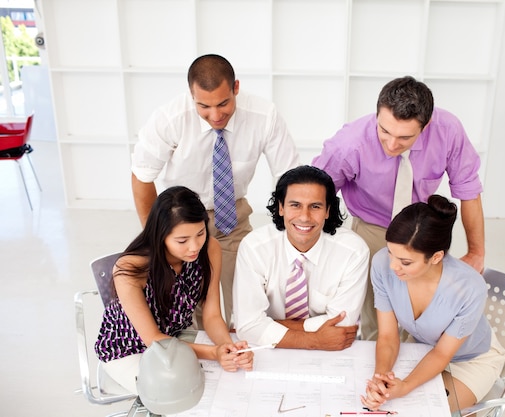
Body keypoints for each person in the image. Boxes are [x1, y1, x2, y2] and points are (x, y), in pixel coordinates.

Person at [131, 54, 299, 328]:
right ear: (191, 95)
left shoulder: (263, 115)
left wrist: (286, 234)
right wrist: (156, 235)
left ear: (236, 88)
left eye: (223, 103)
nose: (215, 115)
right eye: (204, 106)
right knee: (191, 305)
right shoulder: (170, 118)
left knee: (248, 298)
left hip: (233, 216)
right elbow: (142, 176)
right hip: (181, 220)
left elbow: (290, 178)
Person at [312, 76, 485, 340]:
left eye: (404, 137)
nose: (392, 145)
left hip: (421, 225)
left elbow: (468, 190)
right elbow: (315, 195)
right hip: (373, 227)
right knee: (379, 319)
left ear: (425, 126)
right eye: (384, 131)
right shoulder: (349, 144)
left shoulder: (448, 130)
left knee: (426, 317)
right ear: (378, 113)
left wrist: (476, 252)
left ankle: (418, 373)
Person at [95, 186, 253, 394]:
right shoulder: (130, 269)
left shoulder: (210, 248)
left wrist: (228, 348)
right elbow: (153, 340)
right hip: (129, 351)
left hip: (176, 339)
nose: (194, 246)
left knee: (223, 383)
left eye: (200, 233)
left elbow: (212, 314)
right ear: (160, 236)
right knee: (175, 391)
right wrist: (214, 352)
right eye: (182, 240)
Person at [361, 195, 505, 413]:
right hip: (422, 348)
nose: (393, 266)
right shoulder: (382, 264)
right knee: (391, 406)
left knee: (424, 410)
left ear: (436, 257)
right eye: (391, 252)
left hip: (471, 360)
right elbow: (388, 336)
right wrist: (380, 380)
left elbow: (442, 354)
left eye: (406, 262)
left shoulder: (468, 288)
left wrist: (406, 387)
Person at [232, 165, 369, 350]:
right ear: (281, 207)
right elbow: (248, 326)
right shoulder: (255, 248)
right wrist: (314, 340)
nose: (304, 217)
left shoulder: (353, 251)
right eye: (295, 205)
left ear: (328, 210)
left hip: (331, 353)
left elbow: (342, 326)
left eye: (315, 206)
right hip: (271, 351)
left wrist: (267, 325)